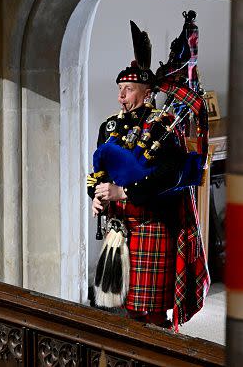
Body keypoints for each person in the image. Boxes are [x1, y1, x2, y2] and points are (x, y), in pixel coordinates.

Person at [90, 62, 186, 328]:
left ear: (147, 94)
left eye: (128, 89)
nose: (121, 96)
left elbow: (169, 175)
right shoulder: (108, 127)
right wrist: (96, 196)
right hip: (119, 229)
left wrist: (123, 192)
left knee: (153, 313)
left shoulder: (164, 127)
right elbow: (98, 172)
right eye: (120, 89)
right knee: (128, 310)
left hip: (150, 225)